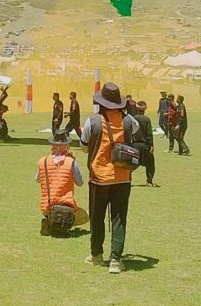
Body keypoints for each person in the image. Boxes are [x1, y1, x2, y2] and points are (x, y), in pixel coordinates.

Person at [80, 83, 136, 274]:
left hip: (99, 177)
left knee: (97, 217)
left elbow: (84, 146)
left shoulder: (92, 121)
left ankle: (96, 255)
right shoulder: (129, 121)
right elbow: (133, 134)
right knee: (119, 218)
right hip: (122, 176)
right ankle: (115, 260)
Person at [36, 129, 89, 237]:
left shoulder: (43, 161)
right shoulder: (70, 162)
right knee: (85, 216)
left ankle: (50, 222)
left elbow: (37, 179)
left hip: (47, 206)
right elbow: (80, 182)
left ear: (52, 144)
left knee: (51, 211)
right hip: (66, 206)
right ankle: (60, 225)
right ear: (67, 145)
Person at [132, 101, 157, 187]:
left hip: (134, 145)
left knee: (130, 164)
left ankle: (127, 180)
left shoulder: (133, 118)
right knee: (150, 164)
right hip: (145, 145)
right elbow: (149, 133)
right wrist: (152, 145)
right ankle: (149, 181)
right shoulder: (147, 119)